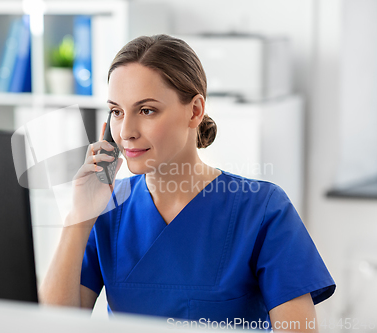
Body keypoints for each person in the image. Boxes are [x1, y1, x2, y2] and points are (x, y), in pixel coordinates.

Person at [40, 34, 335, 332]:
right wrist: (78, 218)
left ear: (194, 111)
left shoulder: (262, 209)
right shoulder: (107, 209)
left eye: (146, 110)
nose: (126, 131)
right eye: (117, 111)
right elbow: (53, 324)